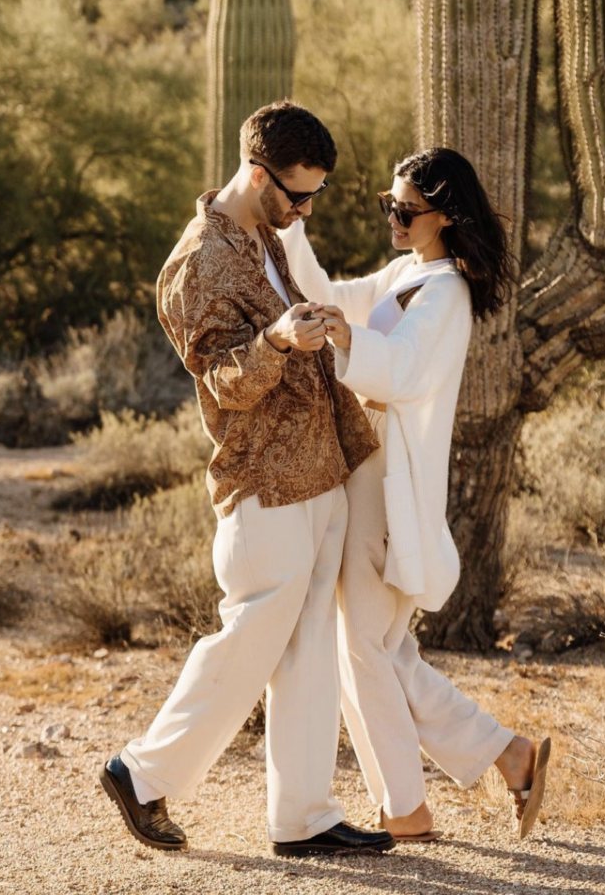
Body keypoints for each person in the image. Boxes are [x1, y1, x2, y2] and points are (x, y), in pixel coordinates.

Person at [98, 100, 396, 858]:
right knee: (250, 640)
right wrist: (275, 339)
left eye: (314, 196)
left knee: (306, 651)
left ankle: (303, 816)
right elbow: (220, 381)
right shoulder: (196, 261)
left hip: (319, 466)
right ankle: (141, 770)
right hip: (262, 480)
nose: (304, 209)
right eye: (296, 193)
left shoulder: (267, 234)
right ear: (257, 173)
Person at [279, 147, 551, 843]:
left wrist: (347, 339)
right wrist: (289, 227)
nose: (393, 219)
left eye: (407, 210)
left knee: (366, 647)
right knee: (380, 648)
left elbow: (399, 374)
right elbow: (334, 297)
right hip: (370, 475)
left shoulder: (445, 293)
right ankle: (495, 758)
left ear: (443, 216)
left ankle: (409, 806)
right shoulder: (407, 274)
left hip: (388, 486)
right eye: (388, 205)